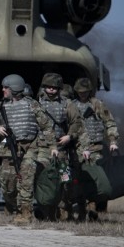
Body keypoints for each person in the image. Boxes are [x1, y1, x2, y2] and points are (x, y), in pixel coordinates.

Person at [0, 74, 58, 225]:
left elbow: (47, 126)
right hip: (9, 148)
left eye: (6, 87)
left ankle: (25, 213)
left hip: (30, 147)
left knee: (25, 178)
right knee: (8, 184)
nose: (3, 90)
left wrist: (53, 146)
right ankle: (11, 206)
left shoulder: (32, 105)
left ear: (15, 88)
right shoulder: (0, 106)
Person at [36, 72, 90, 221]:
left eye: (54, 87)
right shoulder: (37, 103)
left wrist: (69, 136)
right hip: (41, 147)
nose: (51, 90)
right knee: (43, 180)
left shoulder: (67, 104)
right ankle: (45, 211)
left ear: (59, 88)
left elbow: (77, 123)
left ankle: (62, 211)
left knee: (64, 181)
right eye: (48, 87)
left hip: (61, 149)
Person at [73, 77, 120, 218]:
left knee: (94, 179)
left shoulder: (97, 105)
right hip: (76, 149)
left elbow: (109, 122)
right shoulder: (71, 105)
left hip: (94, 149)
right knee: (77, 179)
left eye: (85, 92)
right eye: (80, 92)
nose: (83, 94)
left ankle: (92, 208)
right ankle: (80, 209)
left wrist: (112, 141)